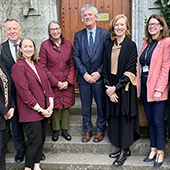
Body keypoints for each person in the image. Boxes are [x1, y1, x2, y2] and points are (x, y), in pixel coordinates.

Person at [102, 14, 140, 166]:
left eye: (122, 25)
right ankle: (121, 147)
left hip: (124, 89)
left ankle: (125, 151)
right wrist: (108, 89)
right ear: (113, 27)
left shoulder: (131, 46)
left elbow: (131, 69)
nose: (119, 27)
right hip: (111, 88)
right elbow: (105, 69)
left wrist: (115, 89)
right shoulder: (108, 46)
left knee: (124, 119)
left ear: (126, 28)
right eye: (117, 25)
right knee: (115, 119)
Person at [12, 37, 54, 170]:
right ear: (20, 49)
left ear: (34, 49)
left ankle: (36, 166)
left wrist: (51, 103)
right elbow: (24, 92)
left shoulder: (37, 64)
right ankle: (28, 168)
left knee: (41, 140)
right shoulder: (18, 67)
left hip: (44, 109)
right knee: (34, 142)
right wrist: (40, 109)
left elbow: (46, 85)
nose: (29, 49)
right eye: (25, 46)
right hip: (31, 111)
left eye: (31, 46)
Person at [73, 4, 111, 143]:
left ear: (96, 17)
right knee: (85, 106)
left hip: (99, 78)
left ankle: (100, 129)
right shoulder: (78, 35)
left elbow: (107, 56)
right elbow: (75, 56)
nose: (87, 17)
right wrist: (84, 74)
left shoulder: (105, 34)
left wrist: (99, 73)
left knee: (101, 105)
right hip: (84, 79)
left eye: (90, 15)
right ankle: (87, 130)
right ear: (83, 18)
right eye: (85, 15)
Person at [137, 14, 170, 167]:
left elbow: (165, 68)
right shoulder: (146, 43)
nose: (152, 27)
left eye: (155, 24)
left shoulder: (166, 43)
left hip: (158, 89)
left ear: (162, 26)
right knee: (150, 120)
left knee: (158, 121)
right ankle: (153, 148)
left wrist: (159, 90)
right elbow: (140, 65)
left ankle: (161, 151)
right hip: (145, 87)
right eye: (150, 24)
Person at [39, 20, 75, 142]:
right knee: (53, 104)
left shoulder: (68, 44)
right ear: (49, 32)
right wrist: (56, 82)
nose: (55, 31)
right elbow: (43, 66)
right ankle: (55, 129)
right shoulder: (45, 45)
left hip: (66, 80)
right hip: (52, 82)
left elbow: (71, 63)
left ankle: (65, 129)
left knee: (66, 104)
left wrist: (68, 81)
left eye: (57, 28)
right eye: (52, 29)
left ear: (60, 29)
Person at [0, 18, 26, 163]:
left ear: (20, 31)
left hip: (28, 91)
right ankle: (20, 150)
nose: (12, 31)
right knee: (15, 122)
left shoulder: (27, 45)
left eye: (14, 28)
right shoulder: (2, 48)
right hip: (10, 93)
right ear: (5, 32)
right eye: (9, 29)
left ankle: (35, 149)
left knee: (30, 120)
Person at [0, 58, 15, 170]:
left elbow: (8, 88)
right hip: (2, 113)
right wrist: (4, 111)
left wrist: (12, 107)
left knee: (3, 145)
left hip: (6, 114)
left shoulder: (1, 64)